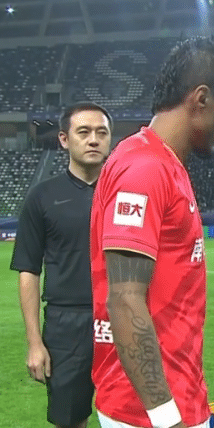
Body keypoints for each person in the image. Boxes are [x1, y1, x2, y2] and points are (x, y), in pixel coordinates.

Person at [90, 37, 214, 428]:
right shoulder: (144, 169)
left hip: (176, 399)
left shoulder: (165, 164)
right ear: (201, 99)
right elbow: (124, 300)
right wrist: (165, 418)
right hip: (145, 413)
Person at [10, 102, 112, 428]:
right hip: (67, 325)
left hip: (123, 316)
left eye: (101, 132)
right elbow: (28, 271)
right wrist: (34, 342)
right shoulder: (42, 197)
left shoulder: (127, 193)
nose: (93, 139)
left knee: (134, 416)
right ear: (64, 139)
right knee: (70, 420)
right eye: (84, 132)